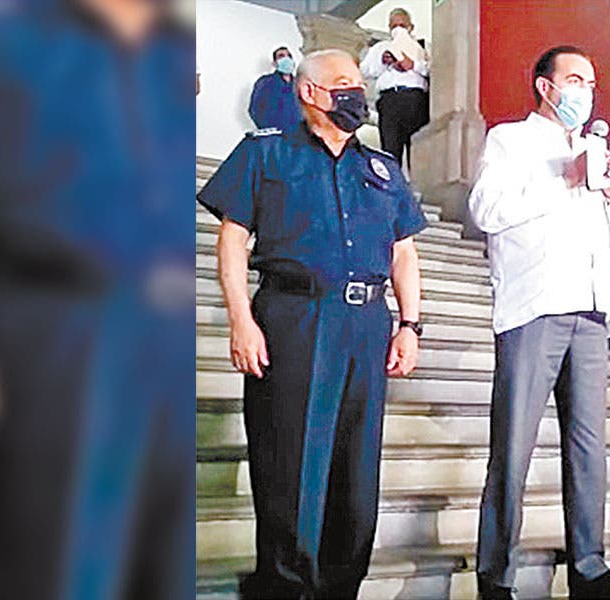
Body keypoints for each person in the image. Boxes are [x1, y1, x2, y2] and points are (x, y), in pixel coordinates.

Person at [0, 0, 195, 598]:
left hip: (165, 338)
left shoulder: (173, 54)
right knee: (46, 565)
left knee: (162, 569)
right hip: (47, 324)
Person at [197, 49, 427, 599]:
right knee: (289, 462)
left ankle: (340, 586)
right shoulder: (266, 152)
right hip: (294, 317)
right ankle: (283, 586)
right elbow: (232, 240)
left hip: (367, 324)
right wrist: (240, 319)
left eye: (358, 84)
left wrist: (410, 324)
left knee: (355, 469)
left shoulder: (382, 169)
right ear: (308, 92)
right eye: (343, 83)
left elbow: (404, 253)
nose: (357, 93)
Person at [468, 45, 610, 600]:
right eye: (574, 80)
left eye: (590, 83)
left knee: (589, 447)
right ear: (545, 87)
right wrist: (564, 181)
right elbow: (485, 210)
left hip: (591, 311)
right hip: (534, 307)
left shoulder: (594, 149)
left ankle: (589, 569)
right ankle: (496, 577)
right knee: (514, 445)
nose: (585, 92)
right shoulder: (510, 140)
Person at [360, 8, 429, 167]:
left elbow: (435, 69)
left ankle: (416, 181)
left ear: (410, 27)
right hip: (389, 100)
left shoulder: (423, 47)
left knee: (418, 148)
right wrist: (383, 61)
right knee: (390, 149)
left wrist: (413, 65)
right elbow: (364, 71)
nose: (398, 29)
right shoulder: (380, 47)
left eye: (402, 25)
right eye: (394, 26)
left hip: (415, 99)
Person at [248, 46, 301, 132]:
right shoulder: (265, 83)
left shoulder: (299, 84)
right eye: (281, 56)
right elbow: (254, 110)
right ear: (274, 63)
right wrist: (268, 129)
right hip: (275, 135)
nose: (286, 59)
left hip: (297, 133)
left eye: (289, 56)